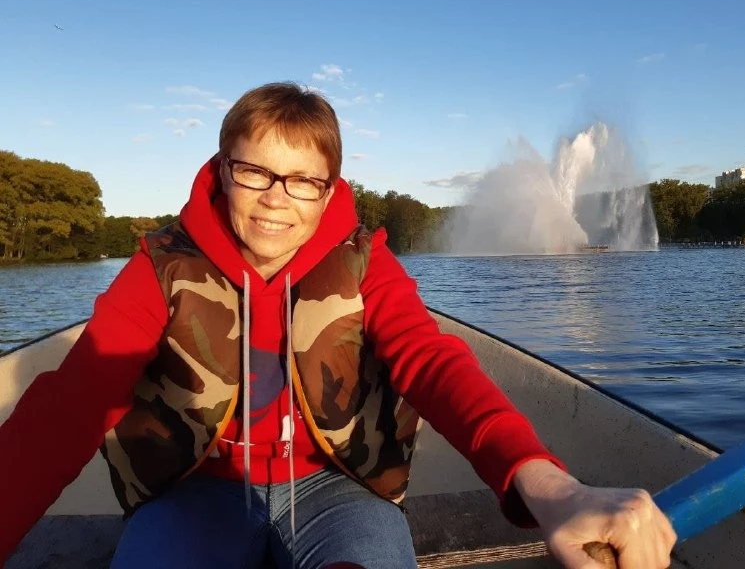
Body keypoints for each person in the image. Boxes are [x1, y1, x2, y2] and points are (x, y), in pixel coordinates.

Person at [0, 82, 676, 569]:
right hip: (191, 491)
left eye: (303, 180)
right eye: (255, 172)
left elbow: (432, 363)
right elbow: (73, 403)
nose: (277, 199)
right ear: (222, 170)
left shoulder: (364, 261)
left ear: (328, 190)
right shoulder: (159, 266)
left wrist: (551, 487)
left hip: (340, 489)